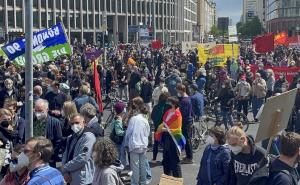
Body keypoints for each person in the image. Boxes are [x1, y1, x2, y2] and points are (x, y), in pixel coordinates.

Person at [61, 113, 96, 185]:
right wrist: (65, 172)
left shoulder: (88, 137)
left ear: (83, 122)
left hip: (82, 179)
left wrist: (65, 168)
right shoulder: (70, 137)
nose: (74, 125)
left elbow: (83, 158)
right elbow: (65, 155)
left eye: (77, 123)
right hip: (70, 178)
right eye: (72, 123)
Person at [155, 97, 185, 178]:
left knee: (175, 161)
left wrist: (166, 130)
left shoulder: (178, 114)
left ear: (174, 104)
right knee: (166, 160)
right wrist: (161, 128)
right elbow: (164, 122)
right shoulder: (168, 111)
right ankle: (167, 179)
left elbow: (178, 129)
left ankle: (177, 181)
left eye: (169, 102)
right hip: (166, 138)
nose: (167, 103)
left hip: (174, 139)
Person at [124, 97, 150, 185]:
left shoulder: (133, 119)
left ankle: (134, 183)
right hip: (143, 144)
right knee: (142, 164)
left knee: (135, 166)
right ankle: (143, 181)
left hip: (134, 144)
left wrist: (126, 143)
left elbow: (128, 133)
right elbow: (148, 132)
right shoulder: (145, 119)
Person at [33, 99, 62, 167]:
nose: (38, 113)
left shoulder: (55, 122)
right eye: (36, 110)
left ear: (47, 109)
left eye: (40, 111)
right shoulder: (32, 122)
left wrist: (51, 156)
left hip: (48, 158)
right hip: (34, 157)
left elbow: (58, 141)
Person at [151, 92, 171, 161]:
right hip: (165, 127)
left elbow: (152, 116)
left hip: (157, 127)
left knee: (156, 143)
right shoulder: (168, 107)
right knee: (165, 144)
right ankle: (164, 158)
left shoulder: (156, 107)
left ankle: (154, 157)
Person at [176, 84, 193, 164]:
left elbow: (184, 113)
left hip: (185, 122)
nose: (177, 92)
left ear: (181, 90)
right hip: (187, 121)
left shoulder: (184, 101)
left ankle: (189, 157)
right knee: (186, 139)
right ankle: (188, 156)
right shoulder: (187, 98)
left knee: (187, 139)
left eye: (178, 90)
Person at [109, 102, 127, 166]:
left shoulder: (116, 117)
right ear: (122, 110)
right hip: (118, 141)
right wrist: (126, 132)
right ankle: (117, 172)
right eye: (124, 108)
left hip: (113, 140)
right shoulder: (118, 120)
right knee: (118, 157)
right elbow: (119, 132)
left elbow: (111, 127)